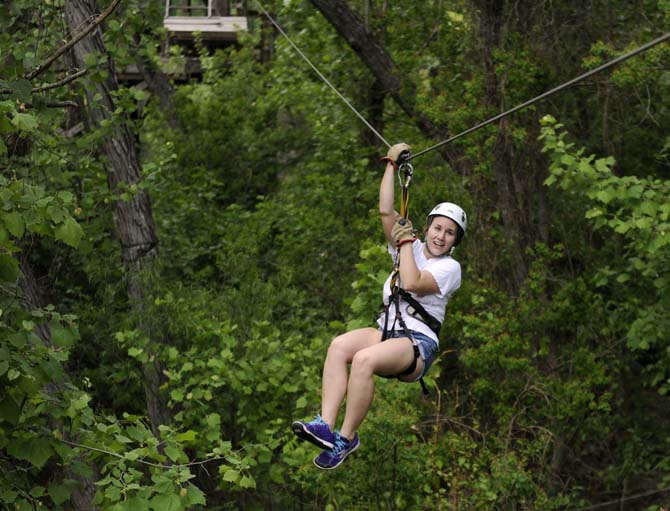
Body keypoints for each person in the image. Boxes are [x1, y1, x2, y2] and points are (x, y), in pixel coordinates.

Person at [291, 143, 467, 470]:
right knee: (339, 346)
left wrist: (403, 243)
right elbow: (387, 212)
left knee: (363, 360)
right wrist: (391, 163)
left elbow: (413, 283)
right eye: (438, 228)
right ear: (428, 227)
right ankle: (324, 425)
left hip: (416, 344)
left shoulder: (449, 269)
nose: (442, 236)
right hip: (387, 331)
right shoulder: (409, 245)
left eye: (450, 233)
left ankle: (346, 437)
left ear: (455, 242)